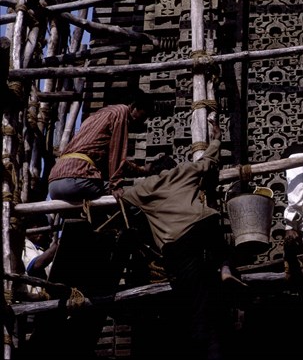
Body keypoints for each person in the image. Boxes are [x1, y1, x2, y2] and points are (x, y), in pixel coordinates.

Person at [121, 117, 243, 360]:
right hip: (202, 225)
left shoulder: (143, 189)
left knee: (197, 302)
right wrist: (217, 138)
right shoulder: (184, 170)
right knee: (220, 245)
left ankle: (203, 345)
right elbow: (208, 161)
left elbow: (120, 199)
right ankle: (227, 269)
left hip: (177, 243)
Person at [48, 89, 153, 202]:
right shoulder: (121, 112)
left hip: (54, 184)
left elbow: (113, 159)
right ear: (133, 107)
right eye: (143, 115)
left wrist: (142, 170)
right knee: (131, 202)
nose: (142, 122)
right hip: (76, 180)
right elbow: (116, 154)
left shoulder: (97, 116)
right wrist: (115, 185)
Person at [21, 215, 59, 298]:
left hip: (46, 297)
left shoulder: (42, 250)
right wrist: (58, 245)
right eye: (36, 225)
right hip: (31, 299)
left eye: (42, 225)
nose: (40, 230)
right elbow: (35, 265)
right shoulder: (24, 244)